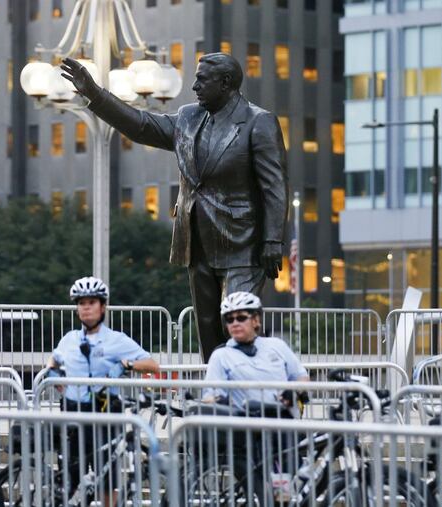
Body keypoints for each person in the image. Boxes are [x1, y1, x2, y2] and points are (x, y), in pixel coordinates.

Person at [61, 53, 289, 361]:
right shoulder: (188, 117)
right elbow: (142, 126)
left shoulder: (258, 122)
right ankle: (216, 394)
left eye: (202, 79)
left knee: (236, 319)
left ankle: (250, 389)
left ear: (225, 83)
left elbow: (274, 186)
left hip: (242, 243)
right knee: (207, 328)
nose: (194, 86)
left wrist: (273, 239)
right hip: (196, 240)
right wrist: (95, 94)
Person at [45, 276, 159, 503]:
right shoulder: (69, 339)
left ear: (103, 306)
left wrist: (126, 364)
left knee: (107, 481)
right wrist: (51, 372)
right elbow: (54, 359)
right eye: (81, 303)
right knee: (69, 478)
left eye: (91, 303)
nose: (86, 308)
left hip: (105, 413)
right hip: (73, 412)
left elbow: (152, 365)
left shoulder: (117, 340)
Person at [202, 291, 309, 410]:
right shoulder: (220, 356)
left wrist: (295, 392)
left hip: (282, 422)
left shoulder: (277, 345)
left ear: (255, 320)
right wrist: (219, 402)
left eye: (241, 318)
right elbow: (209, 397)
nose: (235, 323)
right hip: (244, 424)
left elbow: (301, 377)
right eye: (229, 319)